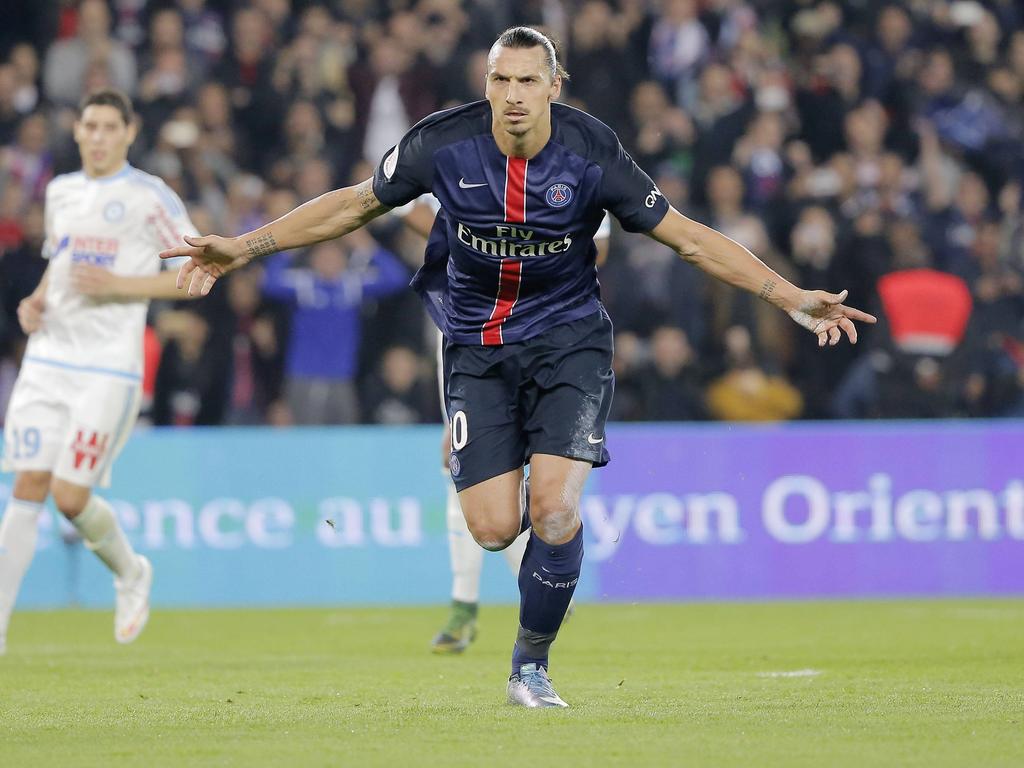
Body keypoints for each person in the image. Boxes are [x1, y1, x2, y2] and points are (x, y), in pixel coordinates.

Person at [161, 27, 875, 708]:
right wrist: (244, 248)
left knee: (556, 511)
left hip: (569, 342)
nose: (512, 93)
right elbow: (351, 207)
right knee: (494, 529)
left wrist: (788, 296)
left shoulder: (593, 152)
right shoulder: (442, 142)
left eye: (528, 80)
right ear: (486, 83)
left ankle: (529, 664)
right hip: (476, 349)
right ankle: (537, 517)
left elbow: (686, 238)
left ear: (554, 87)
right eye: (501, 79)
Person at [0, 88, 199, 654]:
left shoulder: (149, 197)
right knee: (27, 484)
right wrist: (36, 301)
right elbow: (59, 263)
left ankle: (131, 571)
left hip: (109, 366)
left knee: (69, 495)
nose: (98, 135)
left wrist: (121, 287)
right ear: (79, 131)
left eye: (110, 126)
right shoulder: (60, 192)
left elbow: (193, 273)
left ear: (129, 133)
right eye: (90, 125)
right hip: (47, 359)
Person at [401, 200, 610, 654]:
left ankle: (527, 587)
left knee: (541, 492)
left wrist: (529, 255)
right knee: (455, 465)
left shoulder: (577, 169)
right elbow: (411, 210)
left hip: (552, 337)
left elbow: (602, 247)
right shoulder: (463, 163)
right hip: (472, 331)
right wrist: (477, 247)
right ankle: (467, 603)